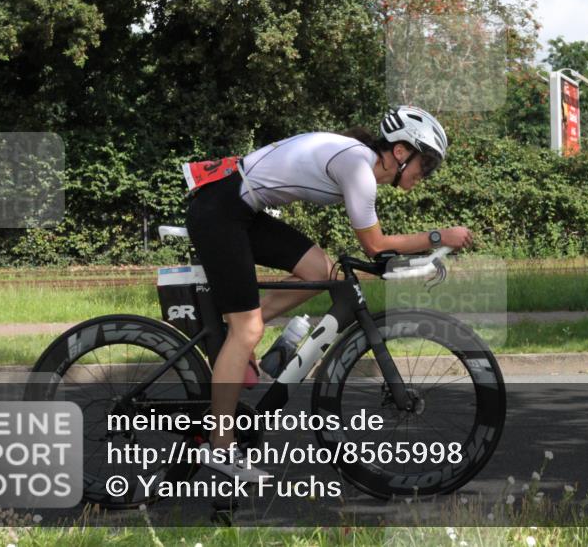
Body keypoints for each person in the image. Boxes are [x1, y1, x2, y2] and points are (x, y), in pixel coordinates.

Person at [184, 106, 473, 482]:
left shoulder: (360, 162)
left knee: (321, 271)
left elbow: (378, 249)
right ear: (401, 151)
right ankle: (221, 446)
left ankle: (235, 329)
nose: (426, 174)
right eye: (427, 163)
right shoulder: (359, 167)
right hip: (221, 207)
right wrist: (438, 236)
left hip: (239, 204)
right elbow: (375, 244)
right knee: (248, 331)